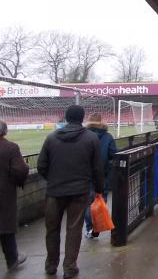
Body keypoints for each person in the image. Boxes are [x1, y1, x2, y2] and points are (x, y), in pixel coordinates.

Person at [37, 105, 104, 278]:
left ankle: (51, 265)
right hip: (79, 191)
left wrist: (53, 180)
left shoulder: (51, 138)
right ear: (82, 118)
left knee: (52, 229)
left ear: (66, 118)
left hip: (54, 191)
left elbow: (41, 166)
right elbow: (97, 168)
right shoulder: (91, 139)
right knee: (74, 229)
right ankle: (69, 267)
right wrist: (99, 189)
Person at [0, 120, 29, 271]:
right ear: (4, 131)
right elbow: (21, 170)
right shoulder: (10, 148)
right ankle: (12, 259)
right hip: (4, 193)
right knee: (5, 226)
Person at [83, 113, 116, 239]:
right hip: (103, 175)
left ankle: (90, 227)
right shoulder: (108, 136)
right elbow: (114, 154)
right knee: (101, 199)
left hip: (86, 175)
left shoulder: (83, 136)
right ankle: (97, 224)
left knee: (87, 203)